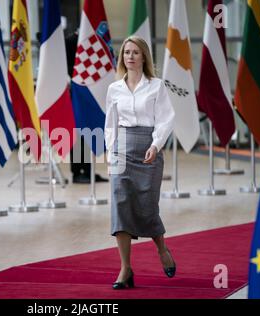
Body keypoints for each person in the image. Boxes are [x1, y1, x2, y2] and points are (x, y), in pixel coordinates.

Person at [104, 36, 176, 289]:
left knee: (147, 206)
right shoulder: (114, 89)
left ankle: (162, 249)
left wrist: (155, 145)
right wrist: (111, 150)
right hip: (121, 150)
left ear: (143, 56)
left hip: (149, 147)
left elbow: (166, 119)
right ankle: (125, 268)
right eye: (126, 53)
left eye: (135, 52)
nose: (130, 56)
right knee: (120, 205)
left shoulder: (156, 86)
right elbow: (110, 123)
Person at [65, 30, 108, 184]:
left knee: (90, 130)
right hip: (76, 92)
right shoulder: (71, 41)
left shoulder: (94, 40)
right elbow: (64, 64)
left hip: (91, 91)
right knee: (78, 133)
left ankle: (89, 171)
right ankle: (77, 173)